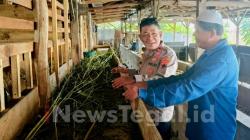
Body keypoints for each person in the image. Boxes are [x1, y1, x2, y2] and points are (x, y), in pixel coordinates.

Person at [122, 10, 239, 140]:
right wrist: (146, 84)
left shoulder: (221, 60)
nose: (194, 34)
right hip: (201, 123)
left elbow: (188, 87)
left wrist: (143, 93)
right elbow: (183, 78)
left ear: (211, 33)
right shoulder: (210, 54)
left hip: (215, 129)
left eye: (197, 31)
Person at [112, 17, 178, 139]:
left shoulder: (168, 55)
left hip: (158, 111)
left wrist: (133, 81)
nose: (150, 38)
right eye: (145, 34)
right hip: (142, 105)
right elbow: (143, 73)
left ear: (161, 34)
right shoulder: (147, 53)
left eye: (154, 34)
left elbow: (159, 80)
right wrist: (127, 71)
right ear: (141, 37)